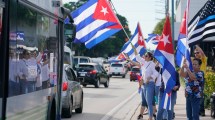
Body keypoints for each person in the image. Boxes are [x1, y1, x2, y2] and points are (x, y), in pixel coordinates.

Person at [126, 51, 158, 120]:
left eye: (146, 56)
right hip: (143, 84)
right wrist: (130, 58)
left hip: (150, 84)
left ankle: (150, 117)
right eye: (144, 55)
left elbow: (156, 73)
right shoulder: (145, 63)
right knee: (146, 101)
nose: (144, 57)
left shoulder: (152, 64)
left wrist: (150, 78)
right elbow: (138, 58)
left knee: (149, 102)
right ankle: (151, 115)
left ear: (150, 57)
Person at [194, 45, 207, 116]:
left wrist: (196, 45)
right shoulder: (193, 60)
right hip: (193, 78)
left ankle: (202, 111)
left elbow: (202, 53)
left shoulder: (203, 59)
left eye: (197, 53)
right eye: (195, 53)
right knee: (194, 95)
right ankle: (196, 110)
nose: (196, 54)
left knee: (201, 95)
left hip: (201, 79)